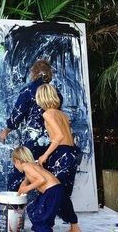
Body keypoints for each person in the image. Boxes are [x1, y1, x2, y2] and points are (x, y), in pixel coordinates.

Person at [0, 59, 63, 191]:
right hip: (52, 140)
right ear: (49, 74)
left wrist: (7, 129)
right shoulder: (56, 92)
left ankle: (15, 204)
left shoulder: (28, 90)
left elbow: (18, 114)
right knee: (47, 172)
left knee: (21, 172)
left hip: (33, 139)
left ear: (33, 73)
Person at [35, 83, 81, 232]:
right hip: (72, 153)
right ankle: (74, 226)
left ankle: (46, 225)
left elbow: (59, 137)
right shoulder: (62, 114)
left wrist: (45, 155)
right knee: (63, 192)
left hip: (62, 154)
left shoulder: (47, 113)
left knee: (53, 190)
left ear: (41, 98)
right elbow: (68, 136)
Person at [12, 146, 64, 232]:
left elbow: (42, 180)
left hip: (52, 191)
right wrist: (18, 195)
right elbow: (25, 183)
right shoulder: (30, 167)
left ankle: (43, 229)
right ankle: (42, 228)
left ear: (17, 161)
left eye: (14, 164)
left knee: (39, 216)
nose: (15, 166)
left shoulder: (27, 167)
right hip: (54, 190)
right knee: (33, 208)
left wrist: (27, 188)